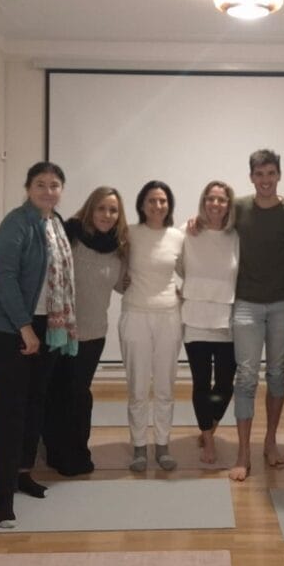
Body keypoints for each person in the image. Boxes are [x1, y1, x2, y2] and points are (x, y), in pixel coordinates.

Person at [0, 161, 75, 527]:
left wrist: (40, 328)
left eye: (54, 185)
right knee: (12, 407)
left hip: (45, 324)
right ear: (28, 188)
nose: (48, 191)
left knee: (36, 401)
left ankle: (22, 473)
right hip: (8, 325)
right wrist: (24, 328)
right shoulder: (16, 223)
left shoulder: (56, 223)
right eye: (40, 184)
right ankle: (3, 493)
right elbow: (3, 278)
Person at [43, 186, 129, 476]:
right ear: (91, 209)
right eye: (101, 208)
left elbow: (124, 285)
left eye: (113, 210)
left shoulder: (119, 249)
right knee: (56, 392)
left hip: (93, 334)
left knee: (78, 394)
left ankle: (77, 451)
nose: (107, 214)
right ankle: (54, 452)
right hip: (59, 331)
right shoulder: (71, 236)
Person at [226, 149, 284, 481]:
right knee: (246, 377)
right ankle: (243, 451)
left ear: (278, 175)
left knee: (278, 375)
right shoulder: (238, 207)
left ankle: (270, 441)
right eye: (259, 174)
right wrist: (193, 223)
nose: (265, 180)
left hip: (283, 303)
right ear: (251, 177)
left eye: (271, 173)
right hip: (246, 304)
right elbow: (210, 222)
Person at [120, 180, 185, 472]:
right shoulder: (129, 233)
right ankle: (138, 447)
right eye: (151, 201)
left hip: (169, 317)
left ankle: (162, 445)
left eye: (162, 201)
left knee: (164, 386)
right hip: (135, 314)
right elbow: (113, 265)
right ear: (142, 204)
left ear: (168, 205)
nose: (157, 206)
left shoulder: (178, 237)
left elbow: (190, 271)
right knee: (137, 386)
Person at [181, 181, 240, 464]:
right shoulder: (188, 231)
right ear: (204, 201)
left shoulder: (236, 235)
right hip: (195, 318)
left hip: (227, 318)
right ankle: (208, 439)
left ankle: (210, 425)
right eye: (210, 198)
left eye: (221, 199)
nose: (215, 204)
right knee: (201, 383)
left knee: (225, 385)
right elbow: (174, 264)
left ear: (229, 204)